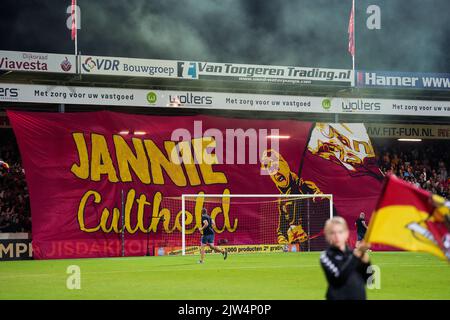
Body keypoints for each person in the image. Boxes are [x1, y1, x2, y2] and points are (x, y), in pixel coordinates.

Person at [320, 217, 372, 300]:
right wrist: (356, 256)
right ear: (327, 236)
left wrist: (366, 262)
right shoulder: (326, 256)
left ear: (346, 234)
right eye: (332, 233)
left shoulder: (353, 254)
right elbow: (338, 279)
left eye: (340, 232)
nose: (337, 236)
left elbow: (370, 281)